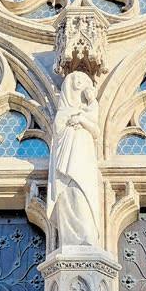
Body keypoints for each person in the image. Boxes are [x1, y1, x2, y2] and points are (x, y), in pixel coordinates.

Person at [47, 70, 100, 247]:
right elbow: (58, 129)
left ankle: (87, 237)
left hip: (83, 161)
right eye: (74, 80)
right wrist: (72, 118)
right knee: (68, 195)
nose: (78, 81)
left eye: (82, 79)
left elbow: (96, 131)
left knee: (83, 195)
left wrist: (82, 119)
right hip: (65, 161)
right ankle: (71, 239)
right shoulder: (63, 112)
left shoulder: (90, 109)